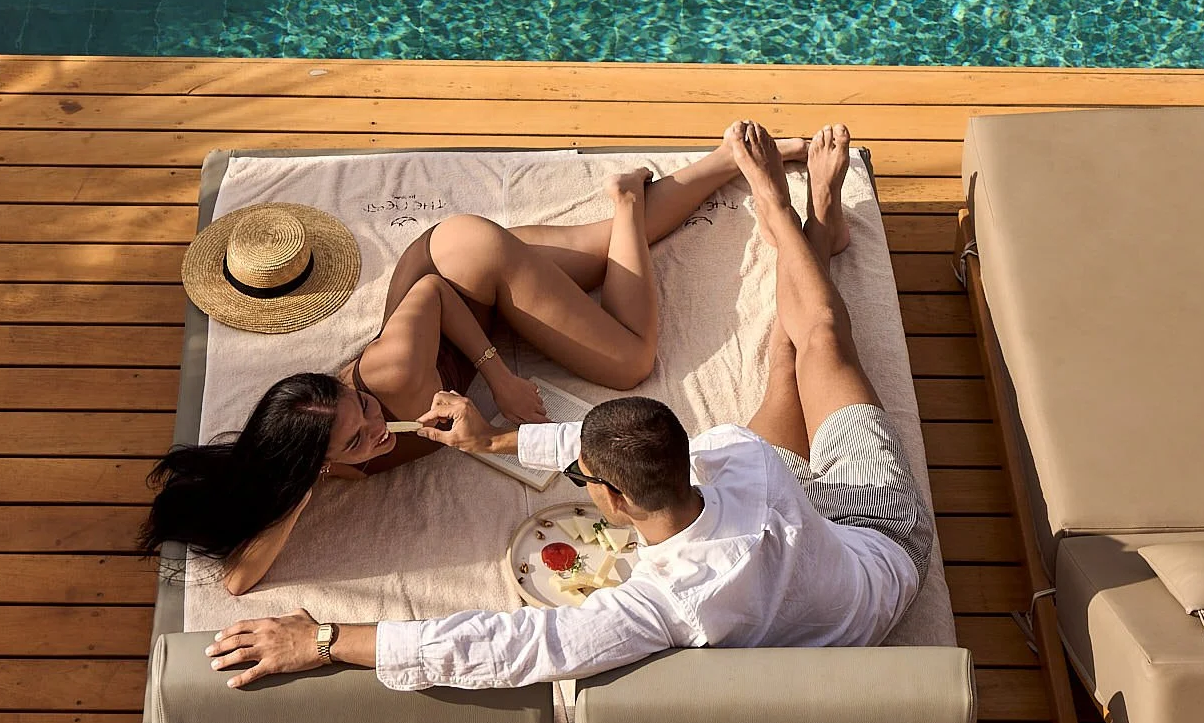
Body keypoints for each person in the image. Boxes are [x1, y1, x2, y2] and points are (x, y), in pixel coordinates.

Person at [204, 120, 934, 689]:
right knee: (797, 350)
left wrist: (324, 639)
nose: (374, 426)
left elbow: (504, 647)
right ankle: (808, 230)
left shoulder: (676, 584)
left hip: (876, 537)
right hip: (796, 526)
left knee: (797, 345)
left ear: (612, 498)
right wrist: (490, 443)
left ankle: (782, 212)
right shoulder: (735, 461)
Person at [141, 126, 810, 596]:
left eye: (365, 414)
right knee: (602, 249)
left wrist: (499, 377)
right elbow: (239, 579)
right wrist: (299, 488)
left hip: (464, 268)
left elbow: (432, 289)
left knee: (629, 360)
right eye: (354, 438)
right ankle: (727, 160)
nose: (374, 429)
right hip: (455, 274)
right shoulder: (308, 471)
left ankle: (628, 199)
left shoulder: (392, 375)